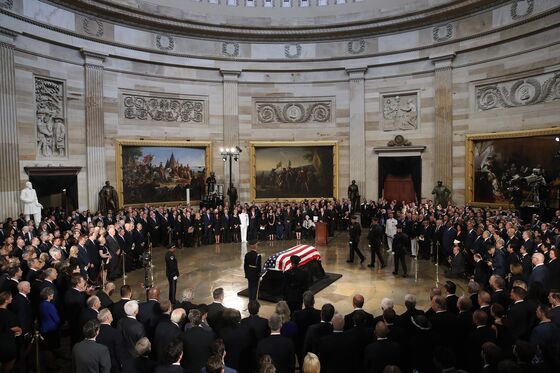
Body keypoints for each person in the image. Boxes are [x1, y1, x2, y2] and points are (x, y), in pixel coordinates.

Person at [0, 291, 21, 373]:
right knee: (9, 363)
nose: (12, 298)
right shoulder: (10, 314)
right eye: (10, 297)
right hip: (6, 343)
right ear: (6, 300)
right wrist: (19, 329)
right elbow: (15, 328)